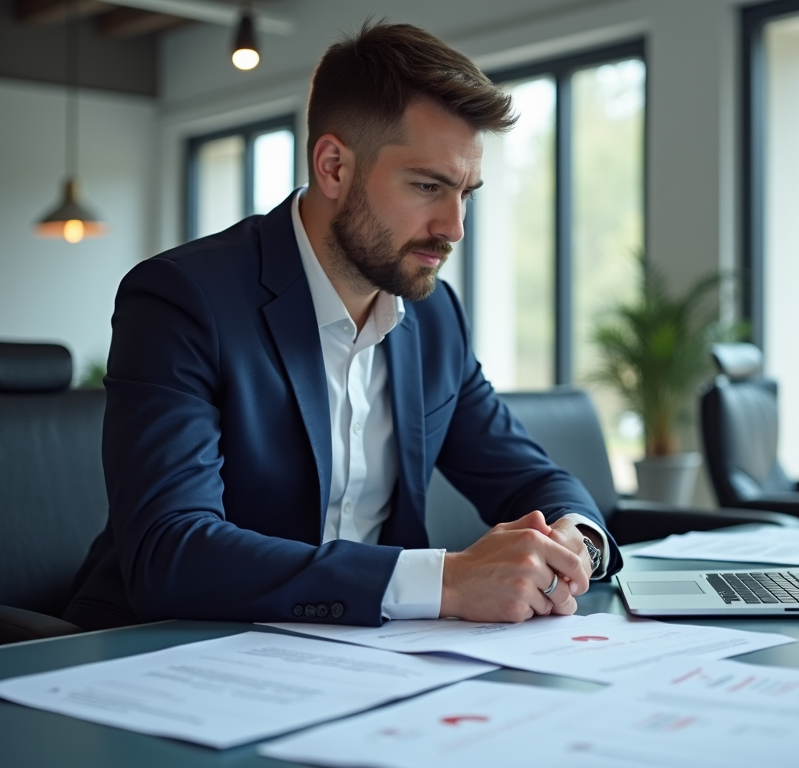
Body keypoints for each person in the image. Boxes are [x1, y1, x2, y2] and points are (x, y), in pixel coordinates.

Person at [65, 20, 622, 631]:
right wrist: (446, 580)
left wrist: (573, 541)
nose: (454, 226)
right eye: (428, 186)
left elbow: (534, 478)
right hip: (161, 651)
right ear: (333, 166)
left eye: (466, 193)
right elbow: (171, 552)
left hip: (359, 662)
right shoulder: (182, 299)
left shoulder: (436, 319)